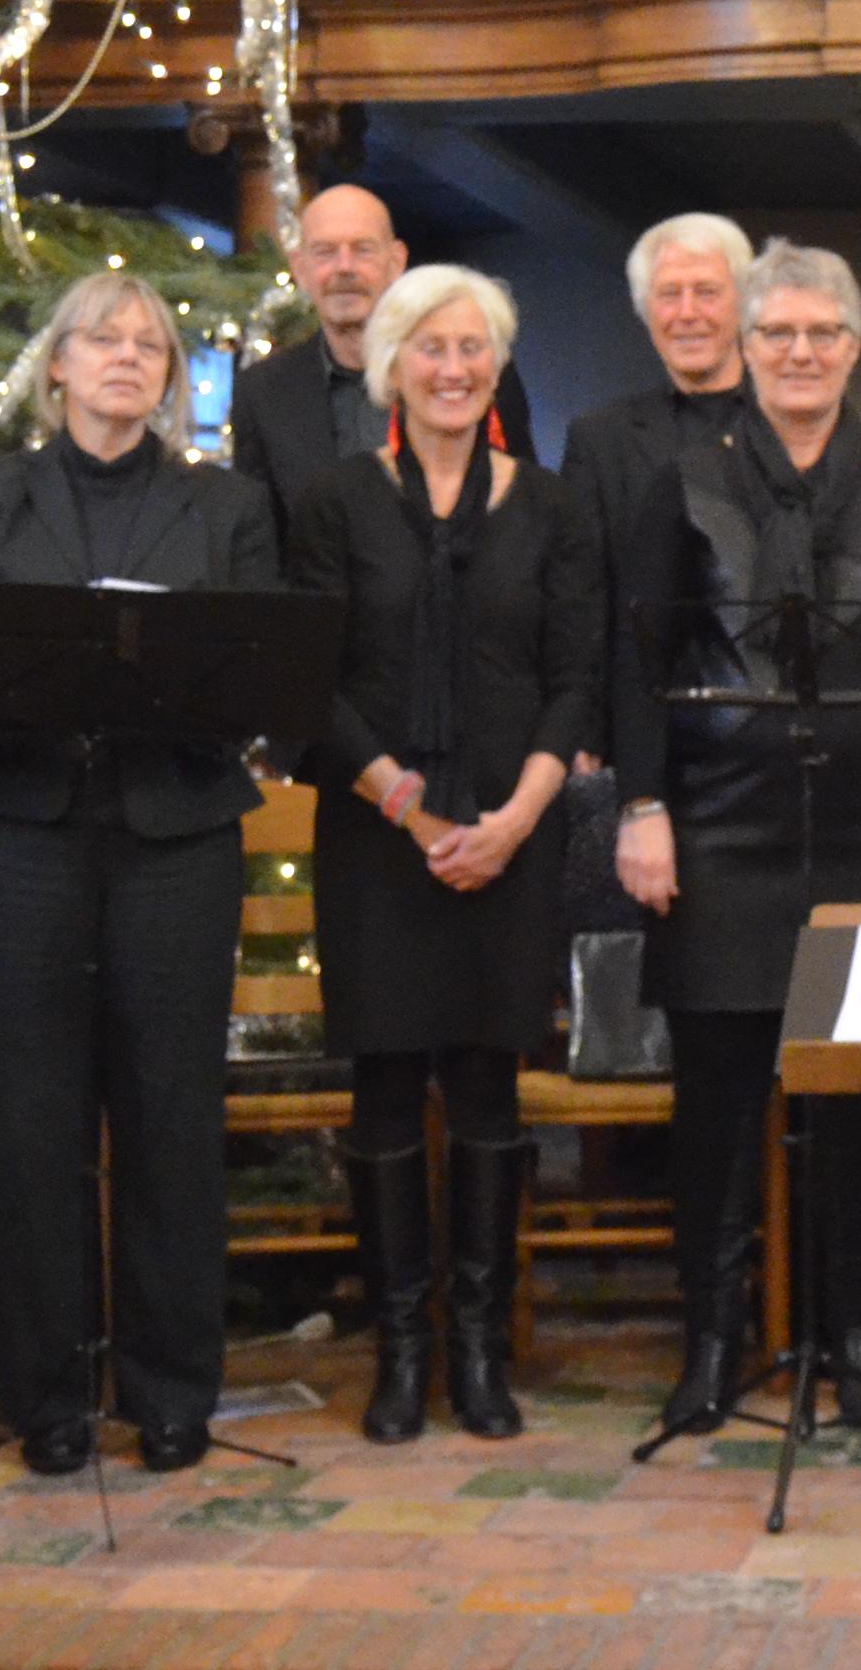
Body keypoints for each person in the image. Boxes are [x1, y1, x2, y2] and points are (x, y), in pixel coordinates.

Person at [609, 239, 861, 1440]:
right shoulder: (684, 478)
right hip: (719, 831)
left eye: (822, 333)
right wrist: (643, 808)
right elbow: (637, 662)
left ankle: (857, 1345)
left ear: (853, 347)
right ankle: (713, 1347)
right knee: (717, 1112)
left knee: (860, 1107)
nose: (800, 353)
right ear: (747, 346)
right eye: (778, 333)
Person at [0, 269, 281, 1479]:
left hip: (173, 833)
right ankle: (47, 1397)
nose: (127, 357)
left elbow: (254, 675)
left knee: (170, 1116)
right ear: (59, 365)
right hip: (22, 830)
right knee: (30, 1120)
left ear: (168, 376)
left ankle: (172, 1390)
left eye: (150, 344)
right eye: (103, 338)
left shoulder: (224, 506)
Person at [297, 265, 601, 1446]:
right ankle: (399, 1351)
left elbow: (573, 678)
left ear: (497, 367)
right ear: (390, 366)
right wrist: (410, 812)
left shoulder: (552, 507)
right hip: (379, 835)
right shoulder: (335, 501)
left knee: (485, 1083)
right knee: (383, 1085)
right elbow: (313, 681)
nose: (453, 368)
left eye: (473, 348)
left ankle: (477, 1350)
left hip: (511, 830)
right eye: (429, 347)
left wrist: (516, 819)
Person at [233, 179, 533, 515]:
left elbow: (522, 505)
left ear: (396, 261)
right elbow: (258, 531)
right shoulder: (262, 391)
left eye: (362, 249)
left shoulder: (468, 374)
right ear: (299, 269)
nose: (344, 267)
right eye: (325, 252)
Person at [555, 211, 756, 586]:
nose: (687, 313)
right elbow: (579, 592)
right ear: (644, 309)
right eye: (669, 294)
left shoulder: (793, 428)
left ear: (744, 302)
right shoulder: (599, 441)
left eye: (707, 292)